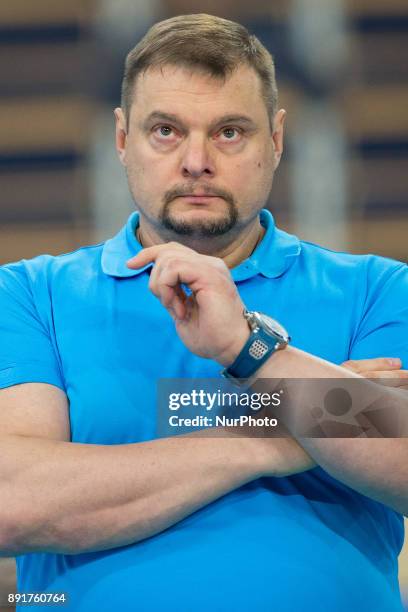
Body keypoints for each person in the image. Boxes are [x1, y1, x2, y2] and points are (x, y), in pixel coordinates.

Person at [0, 13, 407, 612]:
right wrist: (292, 430)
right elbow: (16, 500)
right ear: (122, 139)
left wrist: (247, 350)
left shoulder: (379, 286)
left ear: (276, 138)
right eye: (165, 130)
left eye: (230, 132)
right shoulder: (30, 293)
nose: (197, 161)